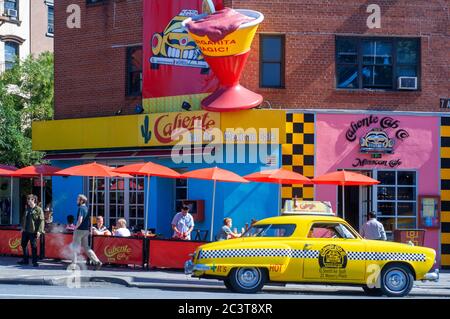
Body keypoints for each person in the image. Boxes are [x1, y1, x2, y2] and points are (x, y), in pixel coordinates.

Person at [71, 194, 102, 269]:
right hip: (86, 230)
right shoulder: (86, 208)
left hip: (79, 230)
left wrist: (75, 228)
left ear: (81, 201)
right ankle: (97, 261)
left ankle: (73, 265)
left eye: (78, 199)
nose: (76, 201)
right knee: (87, 248)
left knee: (75, 247)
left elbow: (80, 220)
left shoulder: (81, 208)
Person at [18, 194, 44, 267]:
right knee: (23, 244)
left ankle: (34, 262)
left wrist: (39, 231)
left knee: (34, 246)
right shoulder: (27, 209)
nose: (28, 201)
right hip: (26, 231)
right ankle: (25, 260)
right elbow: (24, 219)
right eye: (27, 199)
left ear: (33, 200)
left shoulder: (39, 209)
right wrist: (22, 228)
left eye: (29, 199)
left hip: (33, 231)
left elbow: (41, 221)